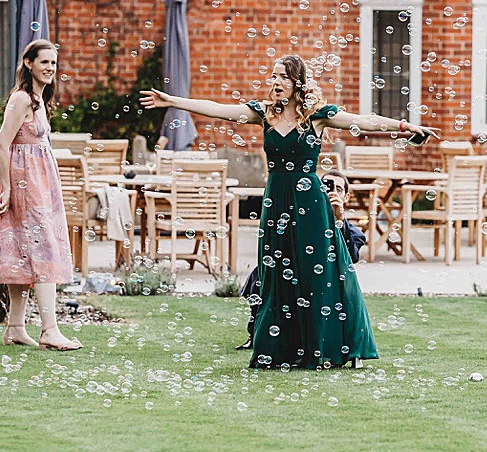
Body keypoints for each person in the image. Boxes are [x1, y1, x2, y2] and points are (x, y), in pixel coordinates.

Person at [140, 53, 438, 369]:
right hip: (276, 201)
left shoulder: (317, 116)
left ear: (297, 82)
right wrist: (171, 100)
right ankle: (278, 349)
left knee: (313, 275)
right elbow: (217, 109)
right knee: (276, 276)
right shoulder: (263, 114)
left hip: (310, 203)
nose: (276, 82)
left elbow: (364, 121)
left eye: (282, 76)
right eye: (273, 76)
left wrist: (405, 126)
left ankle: (319, 349)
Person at [0, 39, 83, 352]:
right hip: (26, 185)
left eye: (53, 63)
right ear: (28, 63)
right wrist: (9, 187)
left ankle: (15, 327)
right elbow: (1, 146)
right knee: (44, 252)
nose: (50, 68)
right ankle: (50, 330)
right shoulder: (21, 99)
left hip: (38, 183)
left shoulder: (37, 99)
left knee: (23, 251)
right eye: (44, 62)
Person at [235, 168, 367, 352]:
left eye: (339, 189)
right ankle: (255, 334)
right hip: (298, 276)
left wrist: (339, 219)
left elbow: (351, 257)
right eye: (328, 187)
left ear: (346, 198)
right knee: (262, 270)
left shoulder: (353, 232)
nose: (333, 192)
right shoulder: (303, 220)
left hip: (327, 283)